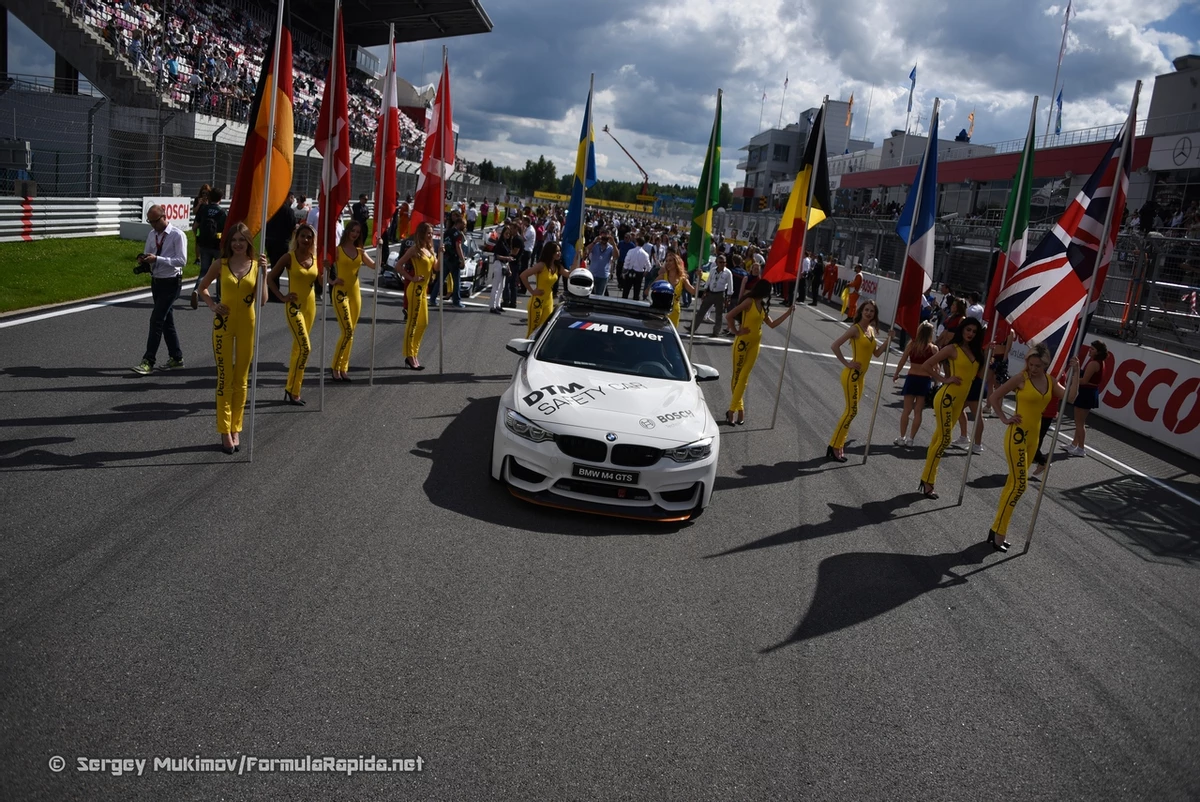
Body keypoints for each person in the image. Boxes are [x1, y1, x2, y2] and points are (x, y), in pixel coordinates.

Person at [986, 345, 1080, 551]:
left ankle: (995, 530)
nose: (1034, 368)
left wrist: (1076, 372)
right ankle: (1000, 533)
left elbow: (1071, 397)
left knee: (1012, 483)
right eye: (1031, 364)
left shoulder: (1050, 381)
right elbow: (993, 396)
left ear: (1046, 365)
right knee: (1021, 485)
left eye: (1038, 365)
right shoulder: (1021, 378)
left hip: (1034, 438)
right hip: (1016, 436)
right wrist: (1003, 418)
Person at [196, 222, 266, 454]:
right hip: (223, 325)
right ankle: (225, 430)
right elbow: (202, 288)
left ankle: (236, 426)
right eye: (234, 240)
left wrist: (264, 273)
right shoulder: (220, 264)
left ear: (248, 242)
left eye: (242, 240)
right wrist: (212, 305)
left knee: (242, 380)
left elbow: (262, 300)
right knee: (224, 378)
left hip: (247, 324)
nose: (237, 244)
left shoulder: (256, 266)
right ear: (228, 243)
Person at [918, 317, 985, 499]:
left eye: (974, 331)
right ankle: (928, 481)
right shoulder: (952, 349)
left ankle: (926, 478)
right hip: (947, 398)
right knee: (945, 438)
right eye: (968, 329)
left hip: (959, 401)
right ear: (962, 330)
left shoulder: (977, 352)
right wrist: (944, 379)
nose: (970, 333)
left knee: (938, 438)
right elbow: (927, 365)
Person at [827, 300, 893, 461]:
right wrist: (847, 363)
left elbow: (876, 354)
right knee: (852, 411)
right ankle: (834, 445)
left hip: (861, 378)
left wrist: (888, 340)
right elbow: (835, 345)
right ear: (861, 311)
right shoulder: (855, 329)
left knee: (851, 412)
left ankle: (839, 443)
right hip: (851, 376)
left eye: (872, 311)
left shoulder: (871, 330)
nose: (869, 313)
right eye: (866, 310)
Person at [723, 280, 796, 425]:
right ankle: (736, 410)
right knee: (737, 377)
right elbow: (729, 315)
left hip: (755, 345)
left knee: (744, 377)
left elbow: (772, 324)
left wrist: (788, 313)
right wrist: (736, 331)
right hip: (742, 344)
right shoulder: (748, 302)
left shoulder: (761, 306)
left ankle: (733, 410)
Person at [132, 205, 189, 375]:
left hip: (172, 282)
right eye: (150, 222)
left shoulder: (177, 235)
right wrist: (144, 259)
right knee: (166, 321)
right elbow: (149, 252)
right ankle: (176, 358)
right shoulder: (152, 234)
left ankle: (148, 360)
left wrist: (158, 259)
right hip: (156, 281)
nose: (153, 225)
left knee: (156, 320)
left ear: (164, 217)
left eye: (155, 221)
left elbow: (182, 260)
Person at [268, 222, 318, 405]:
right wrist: (281, 296)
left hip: (310, 306)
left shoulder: (315, 257)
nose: (306, 239)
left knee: (298, 348)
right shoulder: (289, 257)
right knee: (305, 348)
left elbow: (322, 280)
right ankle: (294, 390)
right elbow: (270, 277)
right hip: (293, 307)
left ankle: (290, 387)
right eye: (302, 236)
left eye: (309, 237)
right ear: (296, 238)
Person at [329, 220, 376, 381]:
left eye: (358, 232)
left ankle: (343, 368)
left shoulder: (360, 251)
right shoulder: (337, 250)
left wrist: (381, 246)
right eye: (353, 231)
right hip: (340, 293)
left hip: (355, 293)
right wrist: (331, 280)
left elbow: (375, 266)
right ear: (347, 231)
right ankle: (335, 366)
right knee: (347, 330)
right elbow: (322, 267)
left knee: (351, 332)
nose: (355, 234)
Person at [395, 221, 439, 370]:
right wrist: (411, 277)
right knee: (412, 323)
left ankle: (414, 352)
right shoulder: (415, 250)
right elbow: (398, 265)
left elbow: (436, 268)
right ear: (421, 233)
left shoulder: (430, 250)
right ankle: (409, 355)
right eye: (428, 233)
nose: (431, 235)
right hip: (415, 290)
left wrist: (441, 254)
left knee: (424, 323)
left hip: (424, 290)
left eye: (432, 233)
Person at [892, 320, 938, 447]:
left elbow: (902, 361)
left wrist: (896, 373)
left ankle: (901, 437)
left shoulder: (912, 344)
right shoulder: (933, 348)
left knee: (906, 410)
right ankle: (911, 439)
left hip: (912, 378)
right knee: (918, 411)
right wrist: (936, 383)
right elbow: (936, 368)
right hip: (925, 380)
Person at [1067, 340, 1108, 457]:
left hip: (1087, 393)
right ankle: (1074, 444)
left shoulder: (1094, 364)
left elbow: (1084, 380)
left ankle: (1081, 448)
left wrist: (1073, 379)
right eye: (1090, 348)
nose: (1090, 350)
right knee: (1078, 421)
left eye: (1093, 349)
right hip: (1089, 392)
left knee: (1079, 422)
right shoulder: (1099, 362)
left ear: (1098, 352)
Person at [190, 187, 226, 309]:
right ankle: (219, 298)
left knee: (204, 271)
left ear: (209, 197)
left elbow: (194, 227)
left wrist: (198, 239)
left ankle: (196, 290)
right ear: (221, 198)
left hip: (203, 245)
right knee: (220, 272)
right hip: (217, 245)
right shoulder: (222, 212)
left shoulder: (203, 209)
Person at [521, 241, 565, 337]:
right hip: (537, 301)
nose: (559, 253)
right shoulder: (541, 265)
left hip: (549, 301)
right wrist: (532, 291)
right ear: (550, 252)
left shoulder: (558, 267)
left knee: (544, 329)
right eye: (556, 251)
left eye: (560, 251)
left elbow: (569, 274)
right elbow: (523, 275)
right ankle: (527, 350)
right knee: (533, 330)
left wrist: (577, 257)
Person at [691, 254, 734, 338]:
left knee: (719, 315)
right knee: (701, 312)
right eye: (720, 262)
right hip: (710, 293)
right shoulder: (713, 270)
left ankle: (716, 332)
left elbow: (730, 285)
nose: (722, 264)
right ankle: (692, 328)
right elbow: (709, 280)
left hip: (720, 294)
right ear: (716, 263)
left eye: (724, 262)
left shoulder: (728, 273)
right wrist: (705, 291)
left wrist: (728, 297)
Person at [657, 250, 695, 327]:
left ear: (676, 262)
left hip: (674, 312)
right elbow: (648, 291)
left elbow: (693, 292)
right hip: (661, 310)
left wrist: (699, 276)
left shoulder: (683, 279)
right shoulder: (662, 277)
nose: (668, 263)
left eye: (670, 260)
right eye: (666, 261)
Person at [488, 221, 517, 314]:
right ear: (502, 233)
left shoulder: (507, 243)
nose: (508, 235)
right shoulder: (500, 243)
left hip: (504, 265)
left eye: (509, 234)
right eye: (506, 233)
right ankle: (492, 306)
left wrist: (509, 267)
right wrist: (507, 258)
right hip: (498, 264)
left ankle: (498, 304)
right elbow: (496, 256)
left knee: (502, 286)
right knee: (496, 286)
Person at [442, 215, 467, 308]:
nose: (464, 226)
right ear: (459, 223)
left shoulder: (447, 232)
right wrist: (462, 259)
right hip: (454, 259)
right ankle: (456, 300)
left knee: (440, 279)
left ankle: (432, 297)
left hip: (445, 257)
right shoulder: (458, 234)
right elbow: (458, 246)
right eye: (464, 224)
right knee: (457, 281)